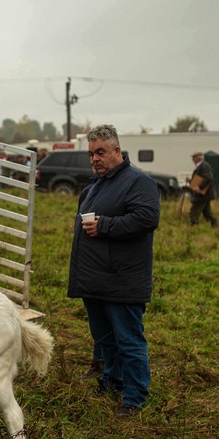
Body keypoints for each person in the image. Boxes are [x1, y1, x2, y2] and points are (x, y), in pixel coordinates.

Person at [67, 124, 159, 416]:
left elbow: (146, 218)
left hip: (122, 279)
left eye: (101, 152)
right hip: (95, 279)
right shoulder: (94, 186)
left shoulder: (137, 182)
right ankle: (111, 382)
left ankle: (134, 398)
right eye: (91, 154)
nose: (95, 159)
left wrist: (105, 225)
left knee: (129, 341)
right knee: (105, 340)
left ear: (117, 151)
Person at [188, 151, 219, 228]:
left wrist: (199, 187)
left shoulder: (204, 166)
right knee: (207, 213)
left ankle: (194, 229)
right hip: (203, 194)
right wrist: (190, 181)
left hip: (202, 194)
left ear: (198, 159)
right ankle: (215, 225)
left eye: (193, 159)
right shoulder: (201, 166)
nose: (192, 161)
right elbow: (198, 180)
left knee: (193, 213)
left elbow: (208, 178)